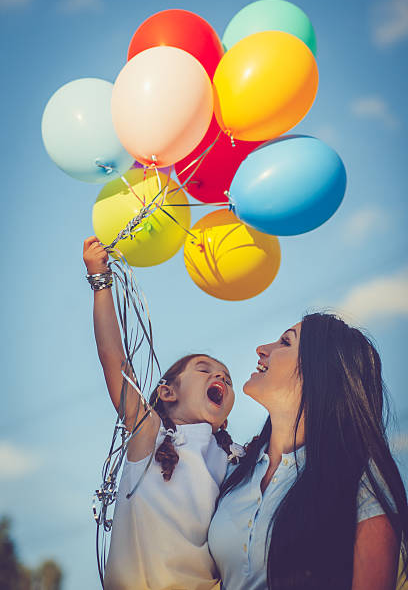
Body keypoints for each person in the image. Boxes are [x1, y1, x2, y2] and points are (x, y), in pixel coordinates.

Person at [83, 236, 240, 590]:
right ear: (166, 392)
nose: (220, 377)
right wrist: (100, 282)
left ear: (225, 418)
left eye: (226, 378)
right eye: (204, 369)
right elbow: (114, 361)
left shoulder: (234, 460)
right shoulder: (149, 434)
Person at [208, 313, 408, 590]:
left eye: (285, 343)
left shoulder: (360, 479)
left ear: (319, 373)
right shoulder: (234, 469)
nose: (262, 349)